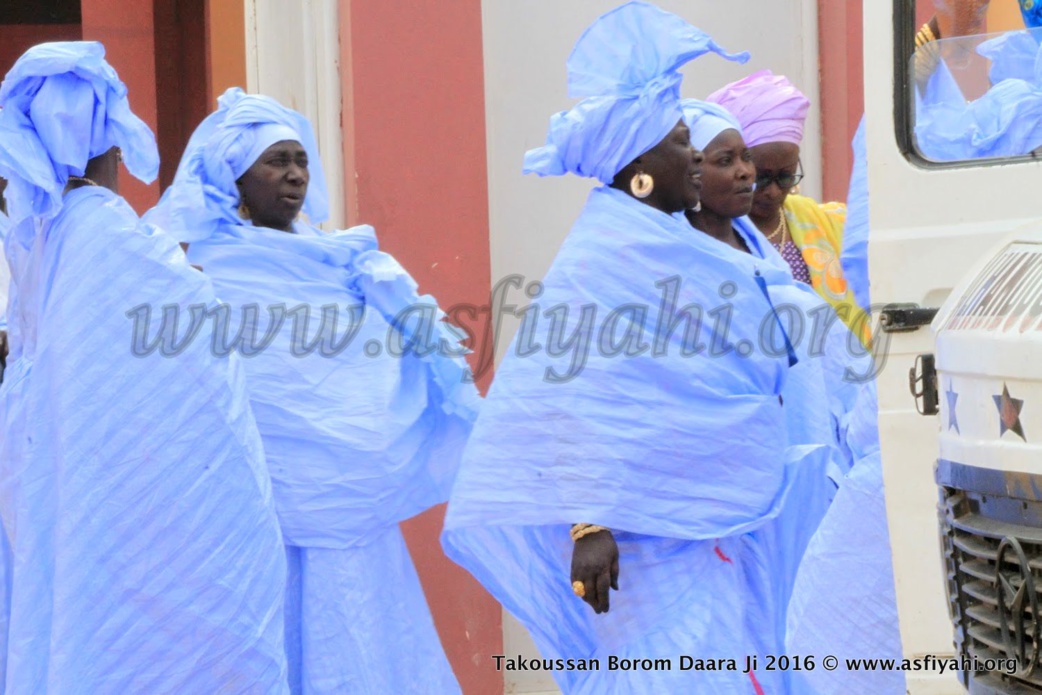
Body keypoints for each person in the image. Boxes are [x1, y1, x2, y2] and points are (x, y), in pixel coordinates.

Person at [442, 3, 825, 692]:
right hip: (638, 538)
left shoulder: (686, 244)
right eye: (682, 143)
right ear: (641, 166)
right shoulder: (606, 255)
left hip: (714, 515)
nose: (695, 157)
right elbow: (567, 400)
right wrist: (588, 525)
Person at [146, 87, 479, 694]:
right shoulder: (200, 272)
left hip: (348, 502)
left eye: (301, 160)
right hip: (252, 514)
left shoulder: (342, 263)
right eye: (276, 162)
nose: (296, 175)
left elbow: (372, 368)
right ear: (235, 178)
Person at [0, 42, 287, 692]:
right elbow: (191, 335)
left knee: (69, 614)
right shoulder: (108, 233)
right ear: (107, 142)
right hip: (125, 497)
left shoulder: (39, 237)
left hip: (52, 475)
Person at [706, 71, 870, 347]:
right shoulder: (707, 230)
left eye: (785, 177)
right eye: (761, 178)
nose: (773, 192)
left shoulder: (834, 223)